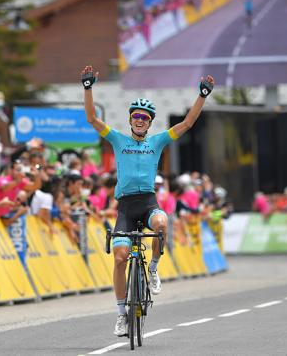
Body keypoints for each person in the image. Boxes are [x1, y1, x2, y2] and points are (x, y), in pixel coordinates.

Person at [80, 64, 215, 337]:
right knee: (119, 258)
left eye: (145, 116)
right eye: (136, 115)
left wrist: (202, 95)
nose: (140, 119)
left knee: (162, 224)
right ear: (131, 119)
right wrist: (88, 88)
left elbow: (187, 123)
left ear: (150, 122)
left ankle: (153, 268)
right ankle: (121, 315)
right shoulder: (118, 139)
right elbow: (93, 119)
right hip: (126, 207)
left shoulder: (156, 142)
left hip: (148, 202)